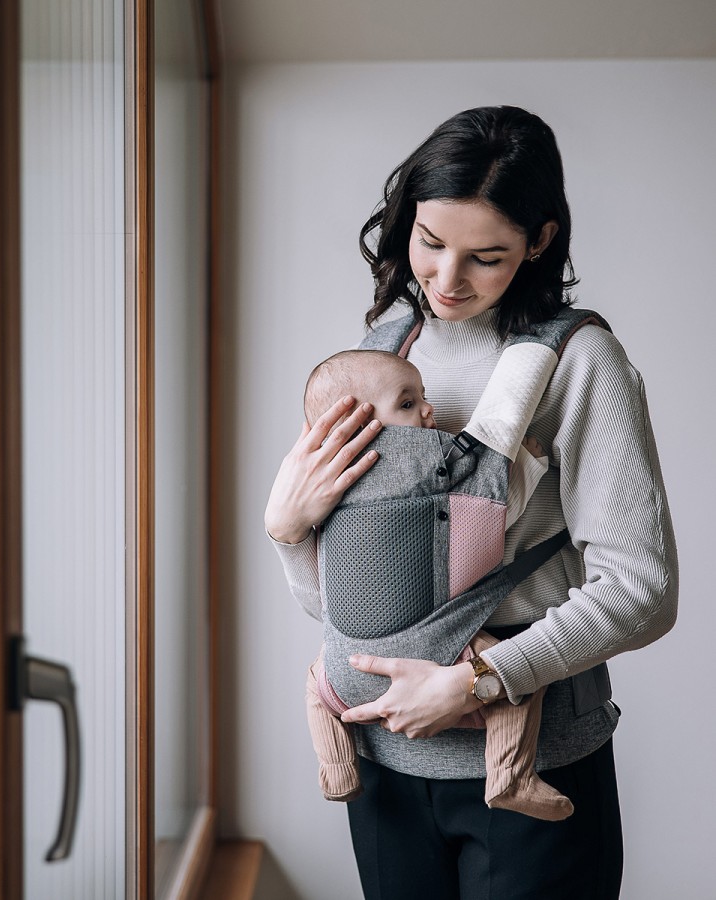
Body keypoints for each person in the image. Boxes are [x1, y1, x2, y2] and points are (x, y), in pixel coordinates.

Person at [265, 106, 678, 898]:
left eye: (485, 257)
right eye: (429, 244)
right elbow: (352, 595)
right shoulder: (385, 349)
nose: (447, 282)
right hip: (382, 765)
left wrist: (479, 683)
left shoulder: (578, 360)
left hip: (532, 763)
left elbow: (643, 593)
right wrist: (288, 533)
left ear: (540, 242)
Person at [301, 348, 573, 822]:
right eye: (408, 404)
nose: (429, 410)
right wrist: (527, 465)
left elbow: (322, 600)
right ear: (352, 424)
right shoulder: (426, 465)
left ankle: (336, 768)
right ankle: (510, 778)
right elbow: (490, 512)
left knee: (314, 684)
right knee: (516, 684)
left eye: (421, 396)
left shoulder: (327, 482)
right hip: (437, 655)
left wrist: (288, 527)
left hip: (344, 674)